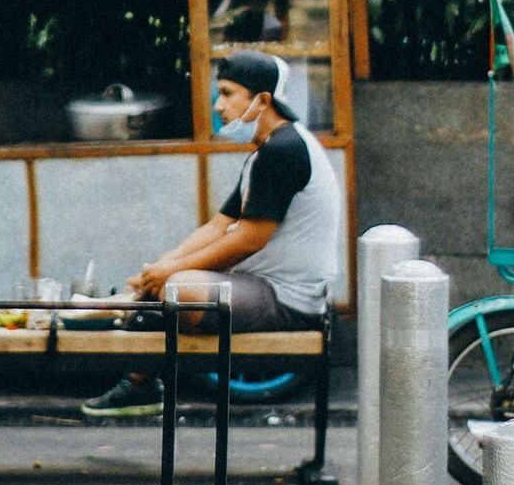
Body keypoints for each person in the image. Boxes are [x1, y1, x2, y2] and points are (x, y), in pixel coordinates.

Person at [81, 50, 340, 416]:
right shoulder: (266, 152)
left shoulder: (285, 151)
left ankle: (139, 369)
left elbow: (248, 239)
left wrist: (170, 272)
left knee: (179, 288)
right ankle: (140, 376)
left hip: (290, 300)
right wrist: (160, 264)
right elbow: (218, 225)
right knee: (167, 279)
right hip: (261, 284)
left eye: (228, 93)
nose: (218, 106)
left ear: (263, 100)